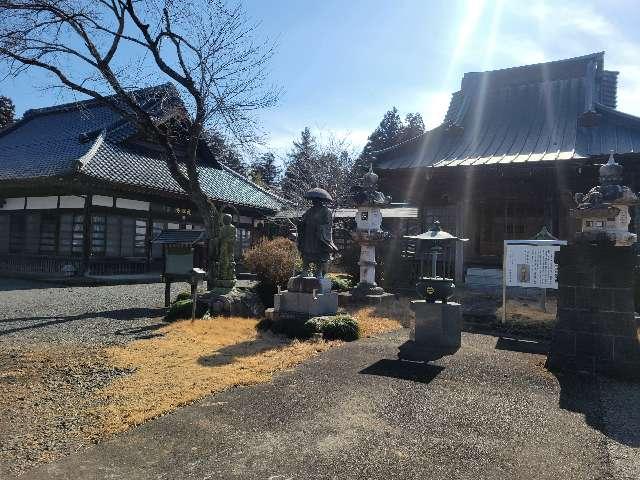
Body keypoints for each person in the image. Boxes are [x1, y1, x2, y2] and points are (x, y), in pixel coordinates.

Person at [297, 188, 338, 278]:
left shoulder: (326, 211)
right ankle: (305, 271)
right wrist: (300, 223)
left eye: (316, 200)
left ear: (321, 201)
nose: (313, 202)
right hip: (308, 236)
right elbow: (303, 220)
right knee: (306, 254)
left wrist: (320, 227)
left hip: (319, 237)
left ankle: (319, 272)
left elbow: (328, 225)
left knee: (319, 254)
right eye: (313, 200)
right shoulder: (309, 211)